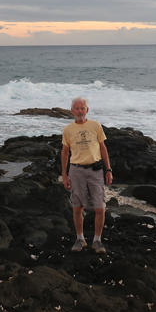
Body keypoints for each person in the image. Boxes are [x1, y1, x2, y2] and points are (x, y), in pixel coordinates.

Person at [61, 96, 113, 253]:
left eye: (82, 108)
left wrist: (108, 170)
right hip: (76, 170)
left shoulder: (95, 126)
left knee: (100, 208)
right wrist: (64, 175)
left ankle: (97, 240)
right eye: (77, 108)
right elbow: (65, 152)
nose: (79, 111)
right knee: (77, 207)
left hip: (95, 170)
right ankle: (80, 239)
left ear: (87, 110)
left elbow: (103, 148)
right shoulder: (68, 129)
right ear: (72, 111)